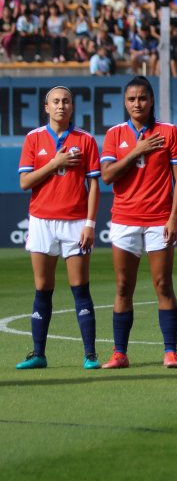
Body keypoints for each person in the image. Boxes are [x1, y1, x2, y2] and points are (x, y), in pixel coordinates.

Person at [99, 78, 177, 369]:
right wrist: (137, 150)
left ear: (151, 100)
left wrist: (174, 217)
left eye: (142, 98)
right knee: (123, 286)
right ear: (125, 103)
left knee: (163, 284)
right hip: (124, 219)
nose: (137, 104)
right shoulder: (115, 134)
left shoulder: (169, 132)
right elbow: (107, 176)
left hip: (159, 219)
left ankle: (171, 351)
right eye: (131, 99)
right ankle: (120, 353)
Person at [15, 87, 101, 370]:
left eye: (66, 101)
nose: (61, 105)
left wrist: (89, 223)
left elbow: (93, 185)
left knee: (80, 287)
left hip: (75, 222)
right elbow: (25, 182)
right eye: (56, 101)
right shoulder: (34, 138)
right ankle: (39, 354)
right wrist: (55, 164)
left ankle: (90, 355)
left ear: (72, 106)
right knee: (43, 287)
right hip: (41, 221)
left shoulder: (86, 139)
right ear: (46, 107)